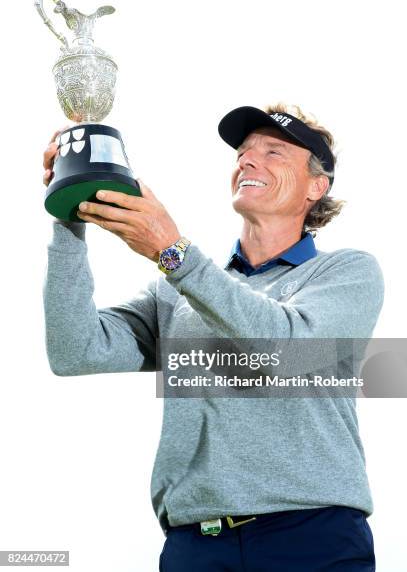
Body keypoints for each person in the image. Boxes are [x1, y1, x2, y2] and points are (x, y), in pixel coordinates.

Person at [42, 104, 384, 571]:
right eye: (243, 153)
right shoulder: (181, 288)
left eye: (274, 152)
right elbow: (74, 350)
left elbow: (288, 350)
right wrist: (69, 212)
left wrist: (173, 252)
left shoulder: (345, 272)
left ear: (316, 186)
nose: (247, 160)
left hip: (312, 533)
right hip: (195, 544)